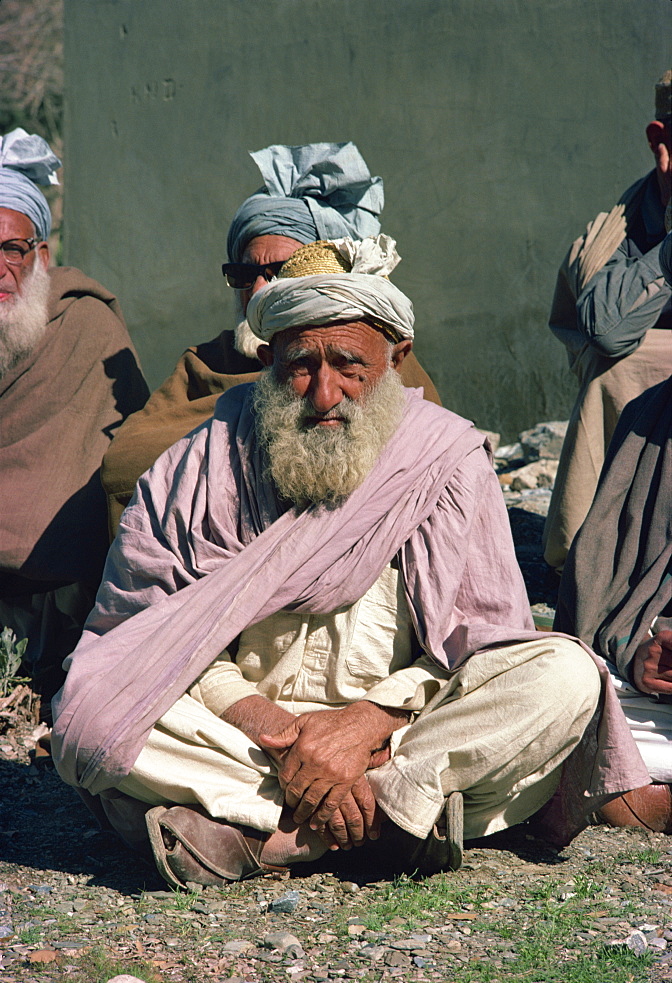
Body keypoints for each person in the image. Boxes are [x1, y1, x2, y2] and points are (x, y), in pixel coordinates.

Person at [51, 236, 648, 889]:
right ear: (267, 357)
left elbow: (477, 645)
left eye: (347, 364)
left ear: (397, 358)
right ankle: (384, 820)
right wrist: (282, 732)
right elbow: (147, 634)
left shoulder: (444, 461)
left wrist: (365, 724)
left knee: (564, 677)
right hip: (246, 734)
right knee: (92, 702)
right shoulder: (202, 461)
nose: (324, 393)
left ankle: (266, 834)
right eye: (299, 365)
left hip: (397, 733)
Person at [100, 142, 440, 535]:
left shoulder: (382, 360)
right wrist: (251, 420)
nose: (259, 289)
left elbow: (425, 461)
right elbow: (123, 464)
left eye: (280, 271)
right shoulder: (208, 362)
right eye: (245, 275)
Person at [0, 129, 149, 711]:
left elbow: (128, 462)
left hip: (57, 596)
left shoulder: (87, 328)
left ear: (40, 254)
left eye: (12, 249)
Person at [554, 230, 672, 834]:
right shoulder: (649, 419)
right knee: (558, 706)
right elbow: (598, 605)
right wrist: (646, 646)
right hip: (647, 706)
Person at [543, 71, 672, 570]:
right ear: (660, 142)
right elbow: (606, 330)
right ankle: (593, 557)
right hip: (638, 381)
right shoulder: (610, 233)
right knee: (615, 369)